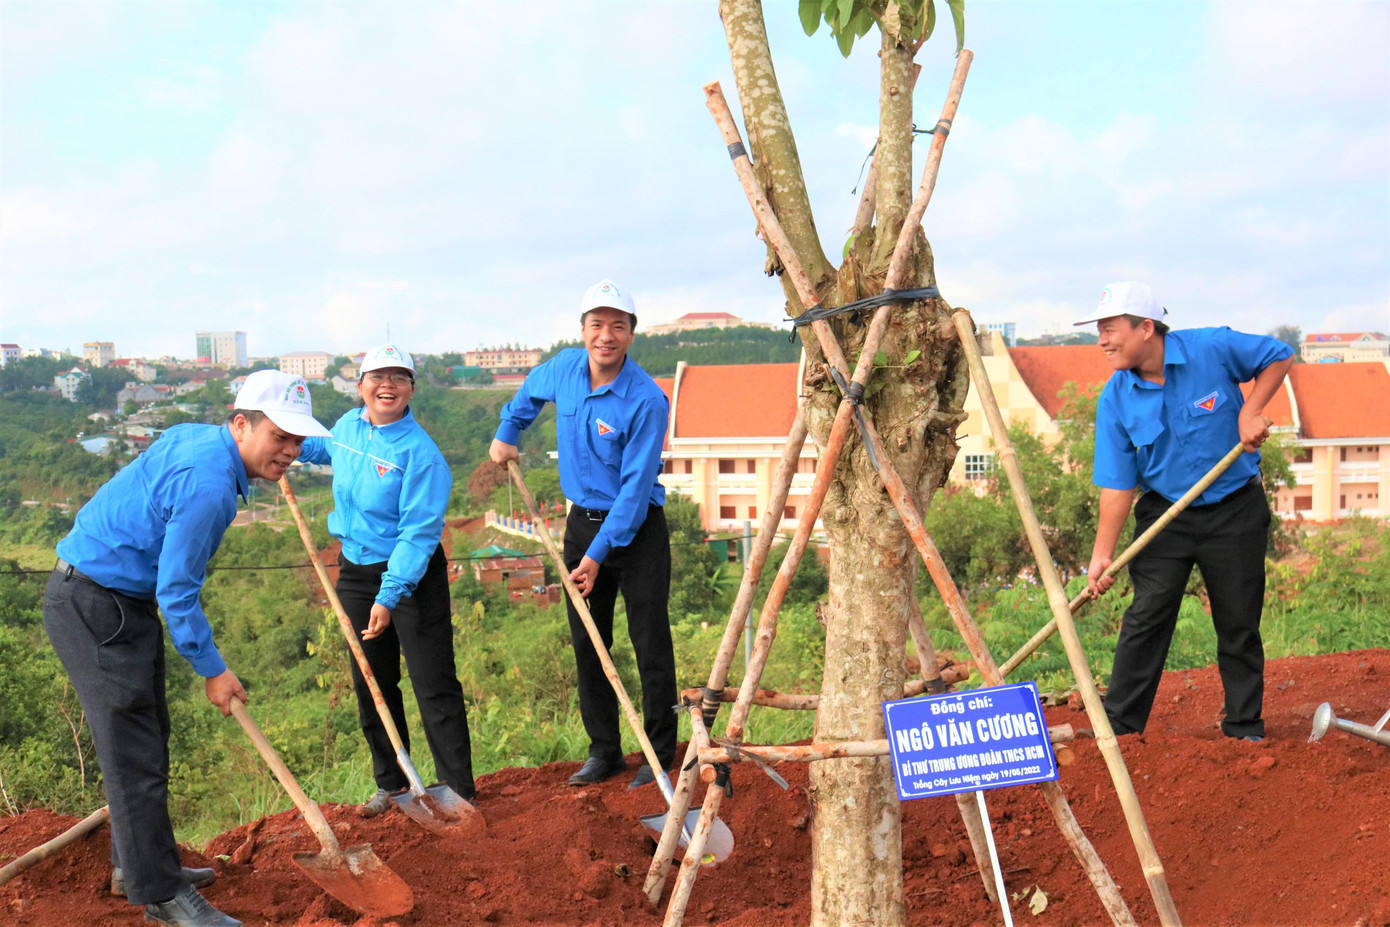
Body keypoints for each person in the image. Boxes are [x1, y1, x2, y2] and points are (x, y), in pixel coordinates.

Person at [45, 369, 332, 927]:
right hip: (94, 604)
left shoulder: (201, 436)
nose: (291, 453)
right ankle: (162, 898)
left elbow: (164, 583)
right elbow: (177, 592)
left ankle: (138, 864)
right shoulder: (210, 488)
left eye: (298, 441)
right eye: (280, 438)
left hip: (118, 597)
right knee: (133, 751)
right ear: (242, 424)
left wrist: (342, 444)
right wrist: (214, 670)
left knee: (149, 739)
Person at [1078, 281, 1295, 742]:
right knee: (1147, 614)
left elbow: (1280, 354)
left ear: (1146, 328)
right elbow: (1117, 486)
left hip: (1234, 507)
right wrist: (1102, 555)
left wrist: (1249, 410)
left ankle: (1244, 726)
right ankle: (1120, 725)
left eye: (1109, 329)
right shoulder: (1115, 398)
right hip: (1165, 515)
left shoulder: (1211, 348)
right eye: (1099, 330)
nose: (1102, 341)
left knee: (1238, 620)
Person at [489, 279, 676, 789]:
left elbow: (635, 495)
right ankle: (605, 752)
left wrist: (595, 556)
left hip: (635, 533)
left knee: (649, 642)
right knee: (590, 641)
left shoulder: (646, 400)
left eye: (618, 325)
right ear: (583, 330)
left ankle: (659, 754)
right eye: (597, 324)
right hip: (581, 524)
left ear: (632, 334)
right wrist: (508, 432)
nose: (606, 335)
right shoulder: (565, 370)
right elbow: (528, 393)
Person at [298, 344, 475, 814]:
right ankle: (392, 783)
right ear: (360, 386)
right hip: (355, 569)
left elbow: (418, 535)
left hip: (411, 575)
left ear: (412, 389)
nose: (387, 385)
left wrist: (390, 594)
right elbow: (321, 447)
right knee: (371, 677)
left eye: (399, 377)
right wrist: (283, 442)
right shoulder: (347, 428)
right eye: (377, 376)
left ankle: (459, 792)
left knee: (432, 681)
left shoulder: (421, 454)